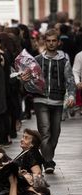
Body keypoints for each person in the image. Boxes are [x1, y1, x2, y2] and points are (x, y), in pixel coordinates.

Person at [33, 29, 76, 174]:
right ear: (44, 42)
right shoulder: (37, 59)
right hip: (41, 100)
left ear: (58, 42)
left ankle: (47, 155)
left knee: (55, 133)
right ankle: (48, 161)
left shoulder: (64, 60)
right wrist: (24, 79)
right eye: (48, 41)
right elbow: (31, 82)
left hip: (57, 101)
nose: (51, 43)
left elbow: (69, 80)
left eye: (53, 41)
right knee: (45, 132)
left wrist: (71, 96)